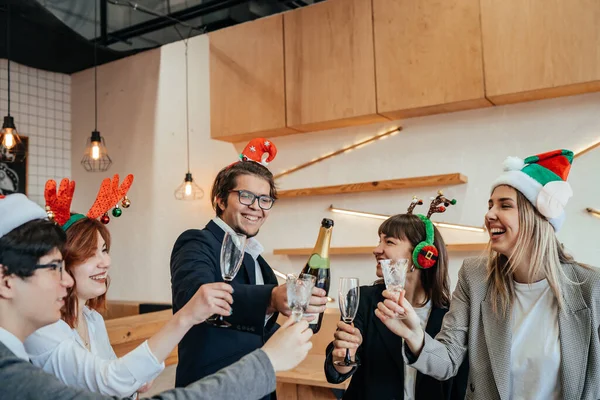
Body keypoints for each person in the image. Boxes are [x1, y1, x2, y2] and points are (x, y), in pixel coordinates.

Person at [0, 193, 314, 400]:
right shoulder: (16, 365)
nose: (65, 280)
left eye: (105, 251)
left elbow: (118, 382)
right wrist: (267, 361)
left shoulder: (91, 319)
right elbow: (113, 379)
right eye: (55, 267)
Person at [375, 150, 600, 400]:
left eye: (505, 205)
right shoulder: (475, 277)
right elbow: (447, 361)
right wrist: (414, 333)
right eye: (490, 205)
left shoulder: (591, 288)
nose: (489, 214)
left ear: (537, 216)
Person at [170, 138, 328, 397]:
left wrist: (301, 321)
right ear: (221, 201)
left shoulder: (259, 263)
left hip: (257, 388)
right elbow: (196, 296)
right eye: (246, 196)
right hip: (209, 390)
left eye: (265, 199)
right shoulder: (196, 241)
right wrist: (271, 298)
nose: (256, 207)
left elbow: (254, 332)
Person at [324, 193, 468, 399]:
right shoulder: (362, 298)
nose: (377, 249)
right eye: (379, 241)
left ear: (422, 254)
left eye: (389, 242)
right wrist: (343, 357)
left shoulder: (451, 314)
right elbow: (336, 372)